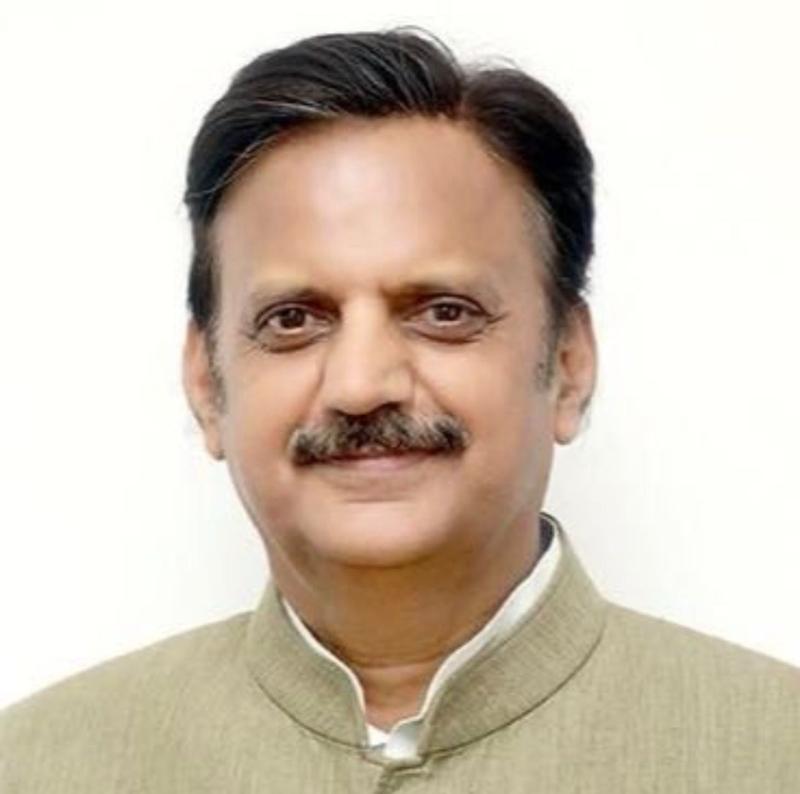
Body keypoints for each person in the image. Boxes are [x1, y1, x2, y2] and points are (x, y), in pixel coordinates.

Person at [1, 26, 798, 793]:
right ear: (207, 384)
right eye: (293, 319)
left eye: (444, 312)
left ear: (568, 362)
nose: (361, 384)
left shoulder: (773, 752)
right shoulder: (36, 768)